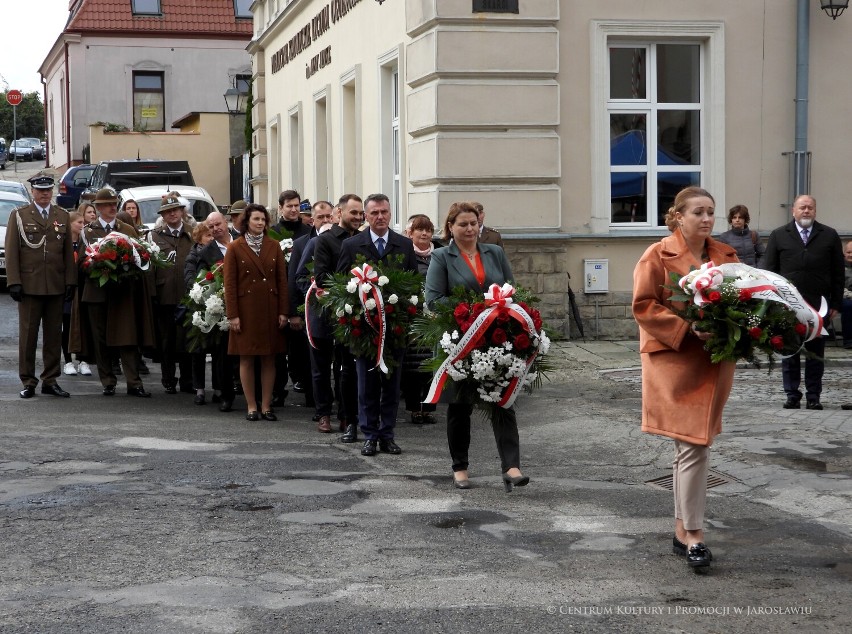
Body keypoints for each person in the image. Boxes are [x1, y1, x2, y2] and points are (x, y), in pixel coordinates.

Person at [632, 186, 739, 571]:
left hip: (715, 360)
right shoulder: (657, 254)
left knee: (692, 447)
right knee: (694, 446)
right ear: (678, 216)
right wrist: (687, 328)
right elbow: (643, 305)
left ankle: (682, 530)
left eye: (711, 212)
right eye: (699, 212)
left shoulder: (727, 256)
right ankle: (694, 535)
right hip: (674, 362)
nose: (707, 219)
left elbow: (743, 303)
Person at [425, 202, 523, 492]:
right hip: (460, 342)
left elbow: (512, 289)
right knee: (460, 406)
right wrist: (475, 309)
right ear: (451, 228)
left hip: (496, 339)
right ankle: (460, 468)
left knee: (503, 401)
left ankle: (511, 466)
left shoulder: (495, 252)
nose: (469, 229)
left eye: (473, 224)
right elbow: (433, 299)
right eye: (463, 224)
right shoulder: (442, 256)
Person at [336, 193, 418, 456]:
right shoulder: (352, 245)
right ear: (365, 216)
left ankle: (387, 434)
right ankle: (369, 433)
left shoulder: (404, 245)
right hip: (364, 329)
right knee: (366, 385)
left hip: (394, 329)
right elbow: (341, 286)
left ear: (390, 213)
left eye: (384, 212)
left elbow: (413, 284)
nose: (379, 217)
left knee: (392, 386)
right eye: (374, 213)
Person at [763, 194, 844, 410]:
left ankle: (813, 396)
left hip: (820, 305)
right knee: (790, 350)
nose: (806, 211)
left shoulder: (829, 235)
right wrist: (770, 302)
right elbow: (769, 271)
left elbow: (838, 272)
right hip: (787, 305)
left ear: (815, 210)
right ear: (793, 211)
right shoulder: (779, 235)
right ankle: (792, 394)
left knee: (816, 353)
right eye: (802, 207)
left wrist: (836, 303)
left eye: (810, 207)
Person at [77, 188, 156, 396]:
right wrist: (98, 263)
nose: (112, 207)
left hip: (123, 292)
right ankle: (108, 381)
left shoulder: (127, 229)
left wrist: (124, 267)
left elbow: (140, 257)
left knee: (127, 337)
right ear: (99, 207)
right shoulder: (88, 231)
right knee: (100, 338)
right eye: (107, 204)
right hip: (97, 291)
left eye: (114, 204)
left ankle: (134, 382)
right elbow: (81, 263)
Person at [5, 172, 77, 398]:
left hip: (55, 284)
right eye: (40, 190)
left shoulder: (62, 215)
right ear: (33, 192)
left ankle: (50, 379)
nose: (45, 194)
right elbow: (12, 251)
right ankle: (28, 380)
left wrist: (70, 281)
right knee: (28, 335)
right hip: (29, 285)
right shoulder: (19, 215)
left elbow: (67, 252)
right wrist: (14, 281)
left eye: (48, 190)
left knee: (54, 335)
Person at [299, 194, 364, 440]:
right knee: (321, 367)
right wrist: (352, 287)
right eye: (353, 213)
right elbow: (322, 276)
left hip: (353, 314)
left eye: (360, 213)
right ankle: (324, 412)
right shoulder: (324, 241)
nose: (357, 218)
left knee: (347, 368)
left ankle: (347, 415)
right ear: (340, 213)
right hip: (325, 311)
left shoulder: (363, 240)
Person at [223, 203, 289, 421]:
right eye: (256, 219)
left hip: (270, 308)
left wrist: (283, 311)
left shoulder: (274, 246)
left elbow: (282, 281)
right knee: (247, 358)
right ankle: (251, 405)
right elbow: (229, 284)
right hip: (246, 310)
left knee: (269, 358)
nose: (260, 223)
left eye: (263, 220)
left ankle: (267, 405)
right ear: (246, 222)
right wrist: (232, 315)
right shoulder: (235, 247)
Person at [150, 193, 195, 395]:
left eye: (175, 210)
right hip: (164, 294)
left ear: (182, 212)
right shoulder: (155, 235)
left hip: (188, 296)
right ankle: (168, 379)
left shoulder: (193, 233)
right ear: (163, 215)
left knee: (186, 341)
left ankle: (187, 380)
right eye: (168, 212)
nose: (172, 214)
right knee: (166, 340)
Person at [401, 214, 439, 424]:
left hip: (435, 316)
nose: (424, 234)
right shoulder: (406, 254)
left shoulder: (439, 255)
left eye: (428, 230)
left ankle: (429, 408)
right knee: (414, 364)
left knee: (431, 362)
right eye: (420, 230)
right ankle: (415, 407)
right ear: (411, 233)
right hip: (414, 315)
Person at [198, 211, 236, 412]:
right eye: (211, 227)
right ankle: (225, 394)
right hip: (221, 310)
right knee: (223, 355)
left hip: (246, 304)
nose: (216, 229)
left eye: (218, 224)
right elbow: (203, 282)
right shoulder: (206, 253)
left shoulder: (242, 242)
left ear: (226, 222)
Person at [62, 211, 85, 375]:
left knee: (83, 326)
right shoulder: (64, 242)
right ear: (70, 224)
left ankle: (83, 360)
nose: (82, 226)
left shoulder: (86, 242)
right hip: (68, 290)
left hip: (83, 289)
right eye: (79, 223)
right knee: (67, 325)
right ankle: (68, 361)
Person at [841, 240, 852, 349]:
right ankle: (849, 340)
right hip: (843, 297)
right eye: (848, 252)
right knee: (848, 306)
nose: (850, 255)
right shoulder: (839, 267)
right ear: (844, 253)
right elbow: (838, 287)